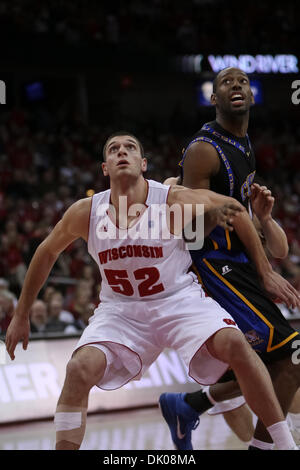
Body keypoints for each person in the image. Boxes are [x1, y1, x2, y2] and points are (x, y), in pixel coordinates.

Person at [4, 131, 298, 451]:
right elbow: (46, 253)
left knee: (235, 344)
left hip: (177, 300)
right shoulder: (86, 211)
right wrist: (21, 314)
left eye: (130, 148)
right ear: (105, 168)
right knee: (78, 369)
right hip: (121, 310)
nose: (121, 152)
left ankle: (284, 446)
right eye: (113, 149)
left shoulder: (172, 199)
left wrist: (265, 271)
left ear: (143, 164)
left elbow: (235, 209)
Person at [159, 67, 300, 451]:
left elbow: (247, 225)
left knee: (276, 362)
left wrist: (255, 218)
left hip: (238, 263)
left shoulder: (243, 144)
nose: (236, 85)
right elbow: (187, 233)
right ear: (214, 99)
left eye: (242, 82)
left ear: (252, 97)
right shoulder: (204, 149)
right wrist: (222, 211)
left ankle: (188, 404)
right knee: (293, 356)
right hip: (213, 267)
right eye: (226, 82)